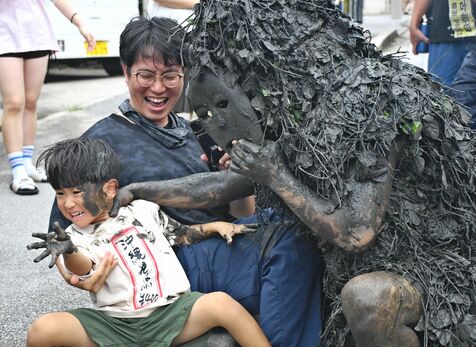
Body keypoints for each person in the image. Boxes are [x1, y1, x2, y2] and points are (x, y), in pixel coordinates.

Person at [110, 1, 476, 346]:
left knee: (368, 298)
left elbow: (356, 233)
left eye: (224, 102)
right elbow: (226, 183)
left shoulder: (369, 98)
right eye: (205, 113)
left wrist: (276, 175)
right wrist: (139, 190)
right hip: (342, 266)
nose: (218, 123)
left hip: (430, 268)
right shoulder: (287, 118)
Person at [48, 16, 323, 347]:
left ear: (185, 75)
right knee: (288, 242)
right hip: (165, 264)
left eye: (170, 75)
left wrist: (234, 175)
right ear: (125, 72)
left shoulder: (201, 131)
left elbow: (238, 210)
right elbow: (63, 227)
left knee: (291, 228)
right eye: (146, 75)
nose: (158, 88)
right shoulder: (100, 143)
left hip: (221, 247)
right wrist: (75, 270)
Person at [27, 137, 270, 347]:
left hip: (171, 314)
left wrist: (215, 227)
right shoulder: (71, 236)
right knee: (43, 328)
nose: (68, 203)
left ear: (110, 189)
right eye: (60, 194)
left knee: (221, 303)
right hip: (113, 325)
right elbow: (83, 267)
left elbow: (178, 233)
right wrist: (68, 250)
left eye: (77, 192)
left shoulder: (142, 210)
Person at [0, 0, 95, 195]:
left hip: (37, 34)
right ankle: (18, 170)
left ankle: (27, 163)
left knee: (31, 101)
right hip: (5, 34)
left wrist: (80, 23)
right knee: (14, 103)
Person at [409, 0, 476, 87]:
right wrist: (414, 24)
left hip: (445, 32)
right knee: (440, 90)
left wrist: (414, 23)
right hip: (445, 33)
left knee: (441, 90)